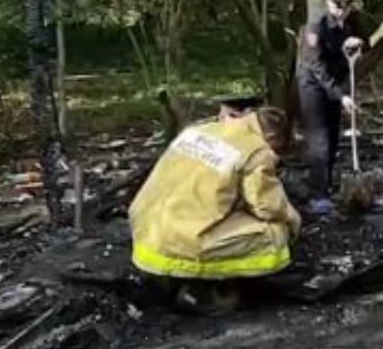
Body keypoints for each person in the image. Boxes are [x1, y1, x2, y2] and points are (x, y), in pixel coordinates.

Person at [129, 106, 301, 289]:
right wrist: (293, 219)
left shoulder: (197, 131)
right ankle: (211, 287)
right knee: (275, 233)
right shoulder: (255, 150)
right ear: (272, 138)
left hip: (146, 231)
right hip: (183, 242)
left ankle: (165, 276)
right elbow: (268, 207)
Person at [298, 0, 366, 214]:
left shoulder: (349, 24)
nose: (342, 10)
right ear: (328, 3)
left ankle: (327, 185)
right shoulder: (315, 28)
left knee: (334, 136)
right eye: (338, 4)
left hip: (335, 85)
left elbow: (350, 56)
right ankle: (317, 194)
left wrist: (357, 49)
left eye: (347, 5)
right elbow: (316, 67)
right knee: (320, 139)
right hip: (313, 86)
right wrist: (340, 95)